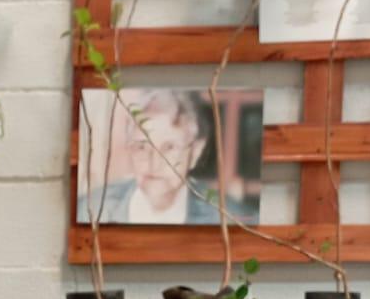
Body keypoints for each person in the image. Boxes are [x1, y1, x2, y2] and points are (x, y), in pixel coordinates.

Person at [82, 89, 252, 224]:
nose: (154, 164)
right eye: (142, 147)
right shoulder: (90, 210)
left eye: (170, 147)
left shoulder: (231, 219)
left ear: (196, 151)